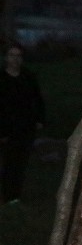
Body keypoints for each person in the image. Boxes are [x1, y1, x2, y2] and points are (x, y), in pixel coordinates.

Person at [0, 42, 45, 205]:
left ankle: (15, 195)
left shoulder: (28, 77)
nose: (15, 59)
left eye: (18, 56)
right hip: (6, 128)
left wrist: (39, 119)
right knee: (9, 162)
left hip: (25, 126)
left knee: (20, 162)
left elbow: (38, 99)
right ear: (6, 58)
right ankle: (8, 194)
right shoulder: (2, 79)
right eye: (12, 55)